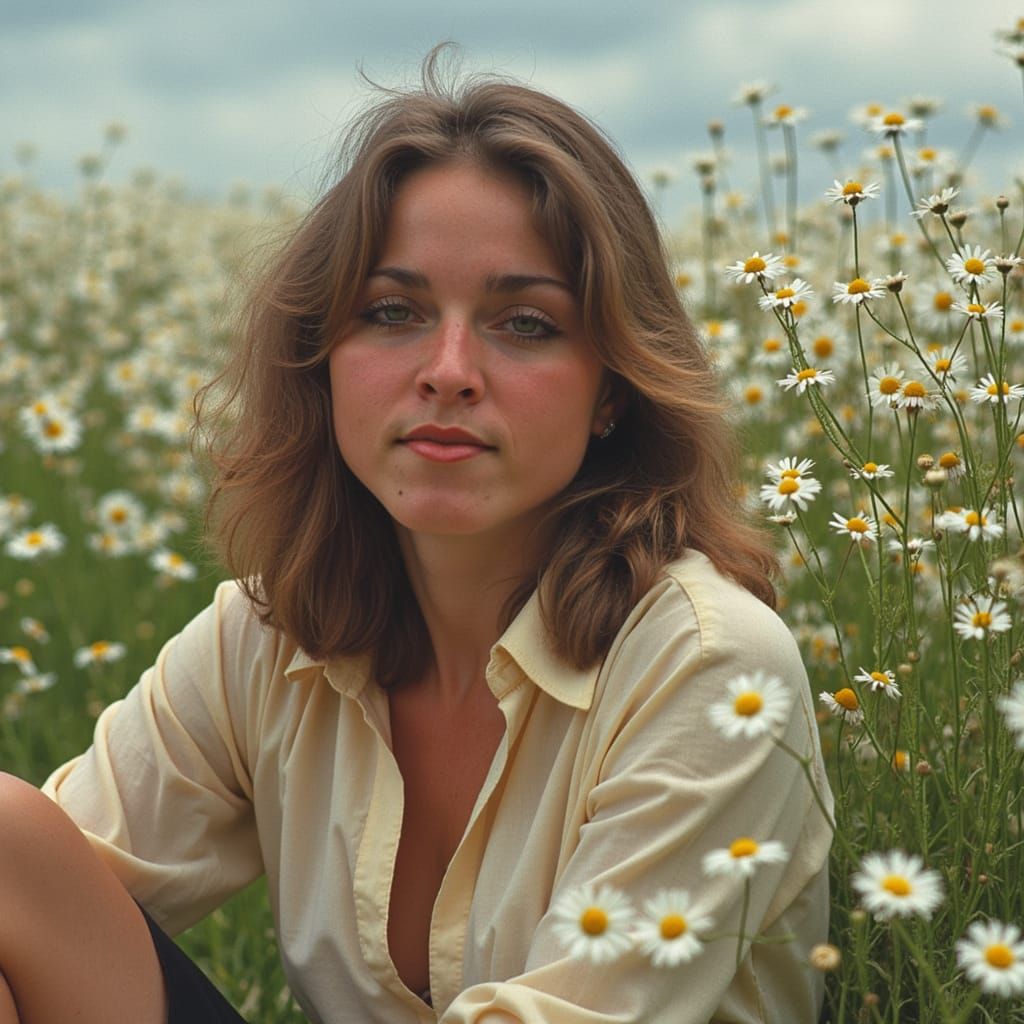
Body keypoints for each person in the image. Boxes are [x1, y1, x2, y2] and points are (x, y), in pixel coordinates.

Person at [0, 49, 832, 1024]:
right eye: (392, 312)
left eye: (522, 324)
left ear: (612, 387)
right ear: (324, 360)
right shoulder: (268, 640)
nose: (447, 370)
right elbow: (42, 898)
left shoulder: (706, 665)